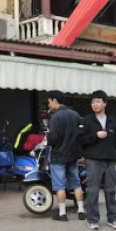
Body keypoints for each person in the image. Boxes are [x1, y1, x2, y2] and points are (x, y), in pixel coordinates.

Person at [78, 90, 116, 230]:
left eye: (98, 101)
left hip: (110, 161)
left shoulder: (111, 120)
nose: (95, 104)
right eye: (92, 102)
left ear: (105, 103)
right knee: (92, 191)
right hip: (93, 161)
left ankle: (113, 219)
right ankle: (92, 220)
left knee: (111, 191)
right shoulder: (87, 120)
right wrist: (95, 135)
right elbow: (80, 140)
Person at [46, 91, 85, 221]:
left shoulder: (55, 117)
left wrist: (48, 136)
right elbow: (81, 135)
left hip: (59, 156)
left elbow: (53, 139)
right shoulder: (75, 115)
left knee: (59, 185)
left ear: (55, 100)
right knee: (76, 184)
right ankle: (81, 211)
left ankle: (62, 214)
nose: (49, 104)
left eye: (49, 101)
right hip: (73, 156)